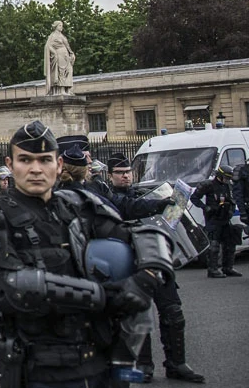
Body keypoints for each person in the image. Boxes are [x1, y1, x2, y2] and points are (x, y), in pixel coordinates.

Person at [0, 121, 173, 387]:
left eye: (44, 160)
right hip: (40, 365)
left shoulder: (79, 205)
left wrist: (149, 273)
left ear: (59, 164)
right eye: (25, 160)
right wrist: (106, 295)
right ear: (10, 163)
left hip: (100, 356)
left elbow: (145, 235)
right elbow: (18, 284)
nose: (36, 169)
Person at [107, 156, 204, 383]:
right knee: (139, 314)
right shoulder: (109, 198)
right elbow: (130, 208)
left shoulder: (139, 192)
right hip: (131, 262)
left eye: (128, 171)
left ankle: (177, 364)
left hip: (157, 259)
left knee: (173, 312)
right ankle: (143, 365)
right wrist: (158, 204)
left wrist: (171, 203)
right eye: (120, 172)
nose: (126, 176)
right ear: (110, 175)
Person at [191, 163, 242, 278]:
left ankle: (228, 268)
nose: (227, 180)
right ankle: (212, 269)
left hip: (225, 218)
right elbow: (194, 198)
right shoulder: (209, 185)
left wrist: (230, 210)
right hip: (213, 219)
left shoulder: (228, 185)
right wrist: (205, 207)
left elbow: (233, 199)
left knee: (230, 243)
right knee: (214, 245)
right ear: (219, 175)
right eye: (226, 177)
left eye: (229, 178)